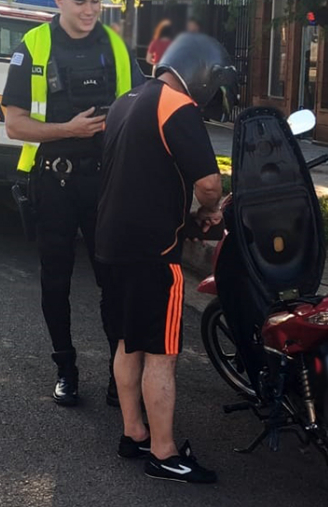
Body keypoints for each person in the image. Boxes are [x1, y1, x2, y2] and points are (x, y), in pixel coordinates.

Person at [3, 0, 146, 407]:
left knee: (114, 281)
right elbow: (14, 125)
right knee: (56, 281)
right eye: (80, 1)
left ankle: (116, 373)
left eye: (96, 1)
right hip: (54, 183)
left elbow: (141, 109)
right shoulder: (34, 46)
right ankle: (65, 367)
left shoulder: (118, 49)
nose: (90, 10)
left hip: (107, 185)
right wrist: (70, 130)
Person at [96, 33, 236, 483]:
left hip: (111, 244)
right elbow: (210, 184)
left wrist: (187, 215)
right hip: (155, 252)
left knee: (127, 342)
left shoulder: (125, 101)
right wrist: (210, 211)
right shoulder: (177, 105)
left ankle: (133, 433)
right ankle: (164, 452)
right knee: (161, 353)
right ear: (202, 75)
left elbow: (140, 171)